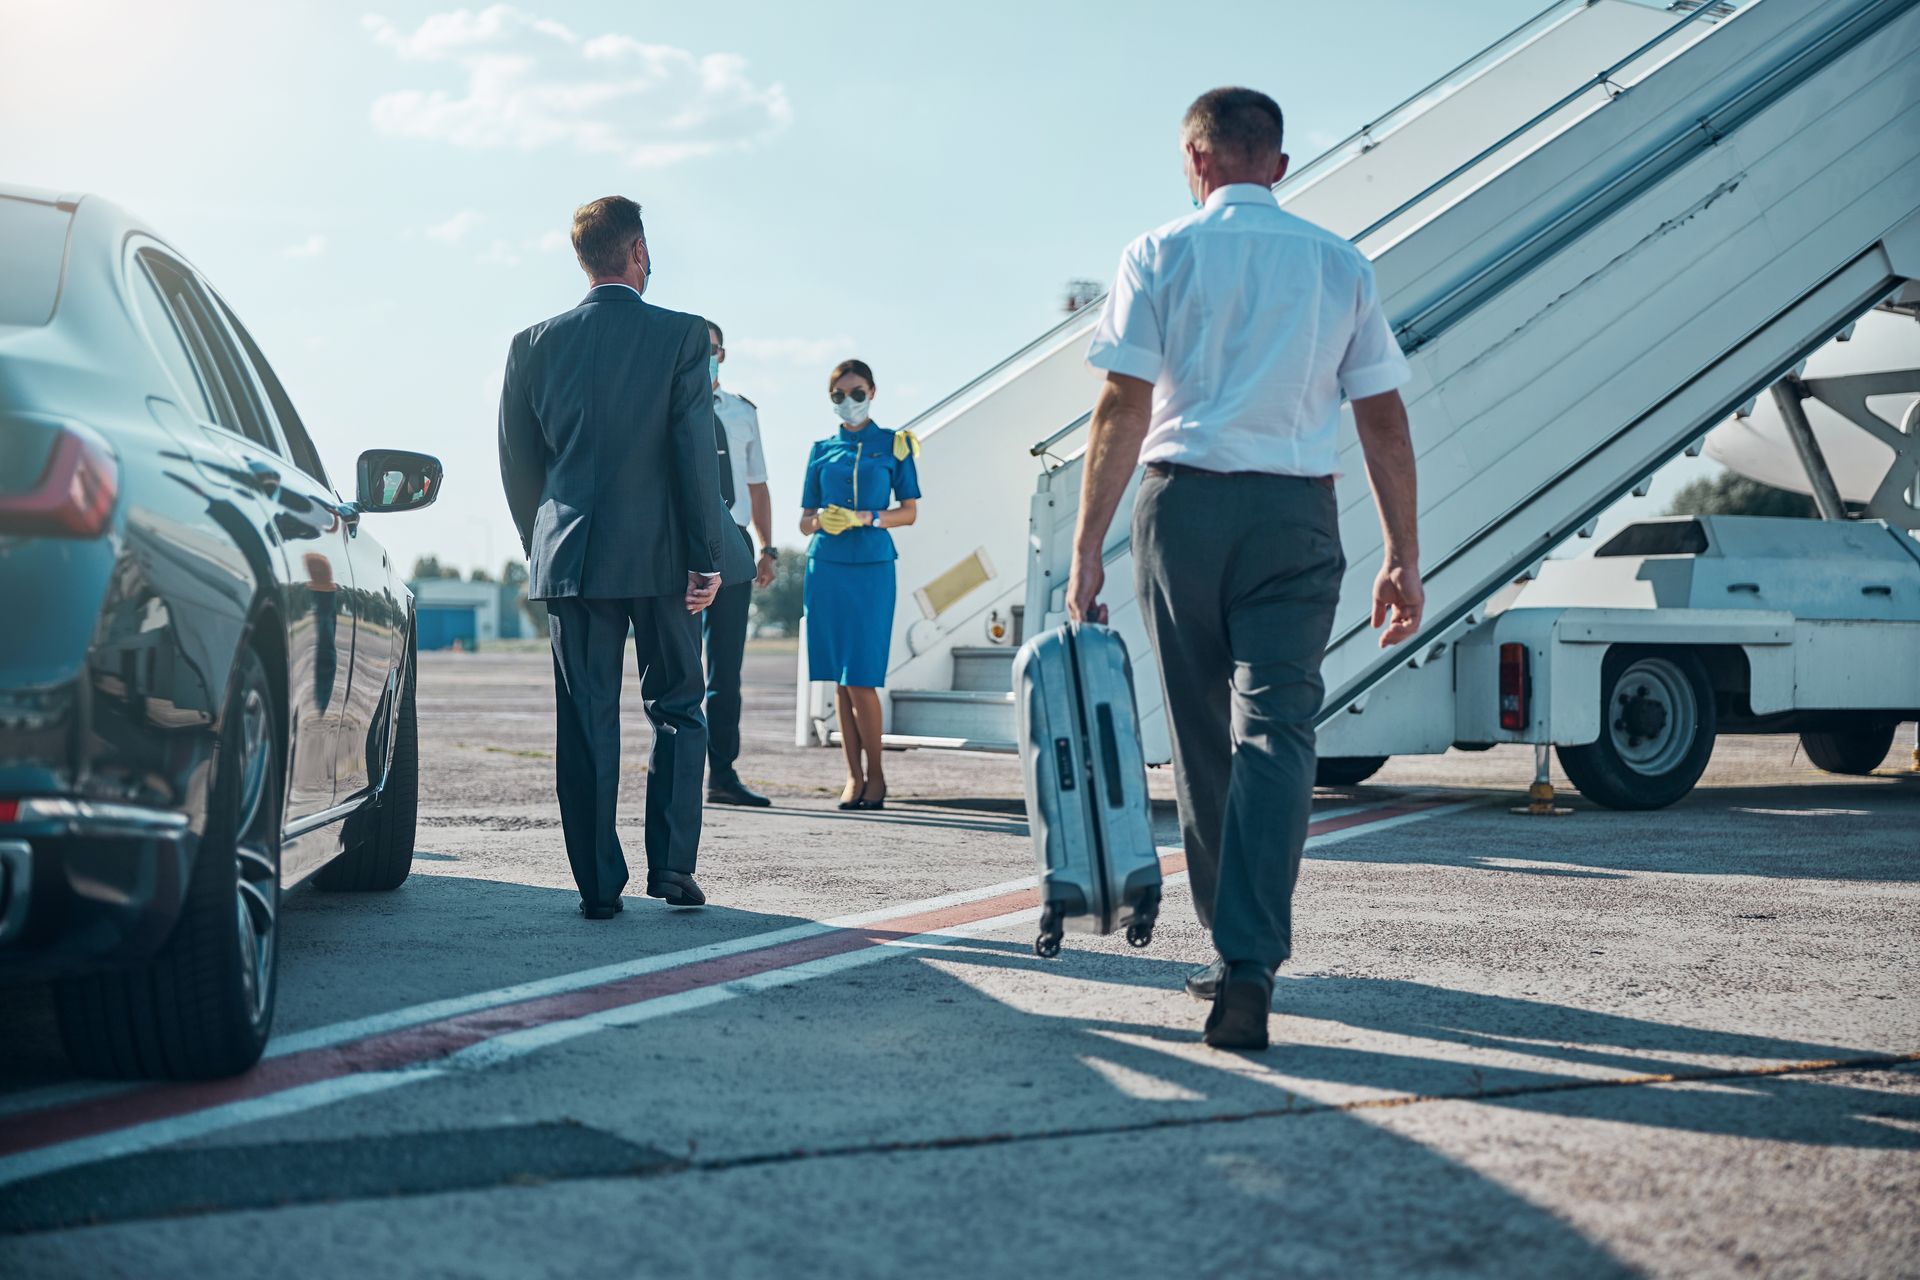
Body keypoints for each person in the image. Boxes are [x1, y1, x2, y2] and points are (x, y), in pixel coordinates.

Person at [1066, 88, 1423, 1050]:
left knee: (1199, 739)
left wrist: (1085, 551)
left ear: (1194, 162)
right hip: (1295, 517)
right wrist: (1403, 555)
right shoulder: (1339, 263)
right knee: (1280, 732)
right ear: (1278, 164)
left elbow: (1119, 408)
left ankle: (1233, 954)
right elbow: (1381, 420)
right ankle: (1250, 960)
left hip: (1182, 509)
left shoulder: (1157, 252)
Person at [498, 194, 730, 919]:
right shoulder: (684, 336)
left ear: (582, 258)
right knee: (679, 709)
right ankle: (673, 869)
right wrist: (706, 556)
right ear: (637, 252)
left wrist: (547, 547)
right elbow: (694, 456)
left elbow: (517, 465)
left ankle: (598, 885)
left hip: (573, 558)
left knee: (586, 719)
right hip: (663, 560)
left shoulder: (532, 344)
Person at [798, 359, 921, 811]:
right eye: (838, 395)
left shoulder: (895, 445)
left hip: (872, 567)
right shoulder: (820, 449)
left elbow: (908, 511)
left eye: (856, 392)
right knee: (840, 680)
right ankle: (852, 777)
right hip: (825, 567)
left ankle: (878, 777)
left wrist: (865, 517)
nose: (847, 402)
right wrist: (820, 522)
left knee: (863, 676)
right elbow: (805, 520)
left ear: (872, 391)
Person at [704, 320, 779, 808]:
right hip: (683, 540)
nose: (704, 356)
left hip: (734, 539)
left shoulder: (742, 413)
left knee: (726, 668)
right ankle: (678, 768)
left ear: (723, 355)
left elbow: (756, 483)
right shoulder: (668, 405)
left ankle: (723, 773)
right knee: (679, 665)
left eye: (711, 349)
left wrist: (768, 547)